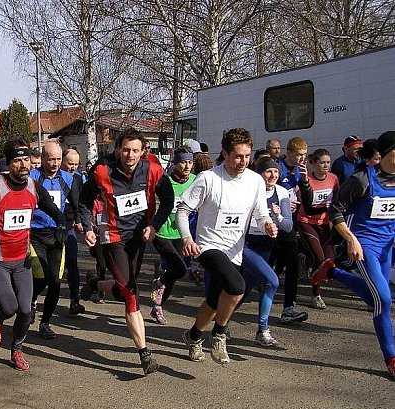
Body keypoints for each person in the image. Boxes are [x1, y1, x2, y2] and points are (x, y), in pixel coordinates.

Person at [176, 128, 277, 364]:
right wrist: (187, 239)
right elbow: (183, 211)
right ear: (225, 153)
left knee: (213, 301)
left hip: (235, 249)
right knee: (237, 286)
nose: (243, 162)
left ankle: (193, 336)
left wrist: (268, 225)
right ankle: (219, 334)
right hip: (208, 246)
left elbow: (261, 215)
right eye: (238, 156)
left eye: (247, 156)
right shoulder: (209, 178)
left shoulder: (254, 181)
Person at [79, 129, 175, 375]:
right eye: (125, 150)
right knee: (132, 294)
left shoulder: (153, 170)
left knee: (124, 291)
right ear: (117, 149)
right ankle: (144, 354)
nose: (130, 155)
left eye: (135, 150)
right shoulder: (103, 172)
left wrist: (153, 226)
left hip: (139, 237)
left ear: (143, 151)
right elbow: (84, 200)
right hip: (113, 237)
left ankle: (96, 283)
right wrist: (88, 225)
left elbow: (168, 201)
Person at [0, 138, 66, 371]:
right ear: (9, 163)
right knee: (8, 307)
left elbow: (54, 210)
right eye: (18, 160)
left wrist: (62, 225)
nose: (24, 165)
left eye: (27, 159)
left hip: (22, 258)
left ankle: (16, 349)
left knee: (26, 309)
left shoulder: (34, 188)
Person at [312, 131, 395, 379]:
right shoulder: (362, 180)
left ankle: (332, 271)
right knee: (384, 301)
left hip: (387, 247)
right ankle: (391, 358)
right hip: (365, 246)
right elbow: (335, 211)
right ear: (387, 154)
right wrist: (351, 239)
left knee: (374, 301)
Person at [240, 156, 293, 346]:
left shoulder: (281, 193)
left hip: (266, 247)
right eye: (268, 172)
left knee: (243, 289)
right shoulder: (249, 191)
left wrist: (277, 216)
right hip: (246, 245)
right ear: (259, 174)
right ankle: (263, 330)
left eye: (276, 172)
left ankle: (223, 321)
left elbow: (288, 226)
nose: (272, 175)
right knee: (272, 281)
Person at [29, 141, 78, 337]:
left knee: (56, 281)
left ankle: (45, 323)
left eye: (58, 159)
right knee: (41, 276)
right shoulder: (32, 178)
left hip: (56, 236)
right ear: (42, 159)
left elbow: (73, 208)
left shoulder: (68, 179)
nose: (55, 163)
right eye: (51, 159)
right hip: (35, 235)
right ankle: (31, 301)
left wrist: (64, 227)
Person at [149, 146, 194, 324]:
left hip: (181, 233)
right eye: (183, 162)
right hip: (163, 232)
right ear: (176, 163)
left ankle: (158, 306)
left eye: (190, 162)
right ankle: (160, 276)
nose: (187, 166)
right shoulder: (165, 181)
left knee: (174, 272)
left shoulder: (195, 180)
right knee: (178, 267)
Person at [296, 148, 339, 309]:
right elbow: (307, 208)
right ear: (313, 163)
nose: (325, 165)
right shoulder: (306, 180)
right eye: (322, 162)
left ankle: (305, 259)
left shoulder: (334, 179)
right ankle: (316, 295)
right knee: (320, 259)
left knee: (329, 261)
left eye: (328, 162)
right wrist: (326, 208)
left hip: (324, 223)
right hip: (306, 221)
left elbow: (337, 200)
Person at [273, 136, 309, 324]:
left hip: (289, 225)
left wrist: (304, 182)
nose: (302, 159)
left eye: (304, 155)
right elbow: (267, 191)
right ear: (289, 153)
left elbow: (307, 197)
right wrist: (283, 203)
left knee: (292, 262)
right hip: (272, 224)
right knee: (264, 268)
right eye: (299, 155)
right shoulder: (278, 169)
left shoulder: (300, 171)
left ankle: (289, 308)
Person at [60, 147, 85, 315]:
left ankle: (74, 300)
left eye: (76, 164)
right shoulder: (51, 177)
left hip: (69, 225)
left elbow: (80, 203)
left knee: (72, 262)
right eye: (70, 163)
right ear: (61, 161)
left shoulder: (78, 179)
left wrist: (79, 221)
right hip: (49, 227)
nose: (73, 167)